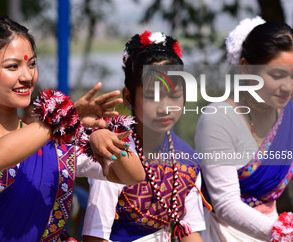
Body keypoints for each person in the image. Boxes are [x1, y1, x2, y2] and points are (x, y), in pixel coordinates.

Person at [0, 16, 145, 242]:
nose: (27, 76)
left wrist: (103, 137)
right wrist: (64, 117)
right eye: (13, 66)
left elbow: (133, 175)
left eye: (31, 64)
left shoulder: (53, 141)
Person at [82, 31, 206, 242]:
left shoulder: (188, 158)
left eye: (175, 94)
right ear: (129, 97)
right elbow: (95, 237)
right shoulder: (113, 152)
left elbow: (189, 230)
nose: (166, 107)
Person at [195, 17, 293, 241]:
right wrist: (283, 233)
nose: (287, 87)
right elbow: (226, 205)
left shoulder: (289, 114)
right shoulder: (218, 120)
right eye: (277, 75)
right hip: (223, 233)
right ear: (246, 68)